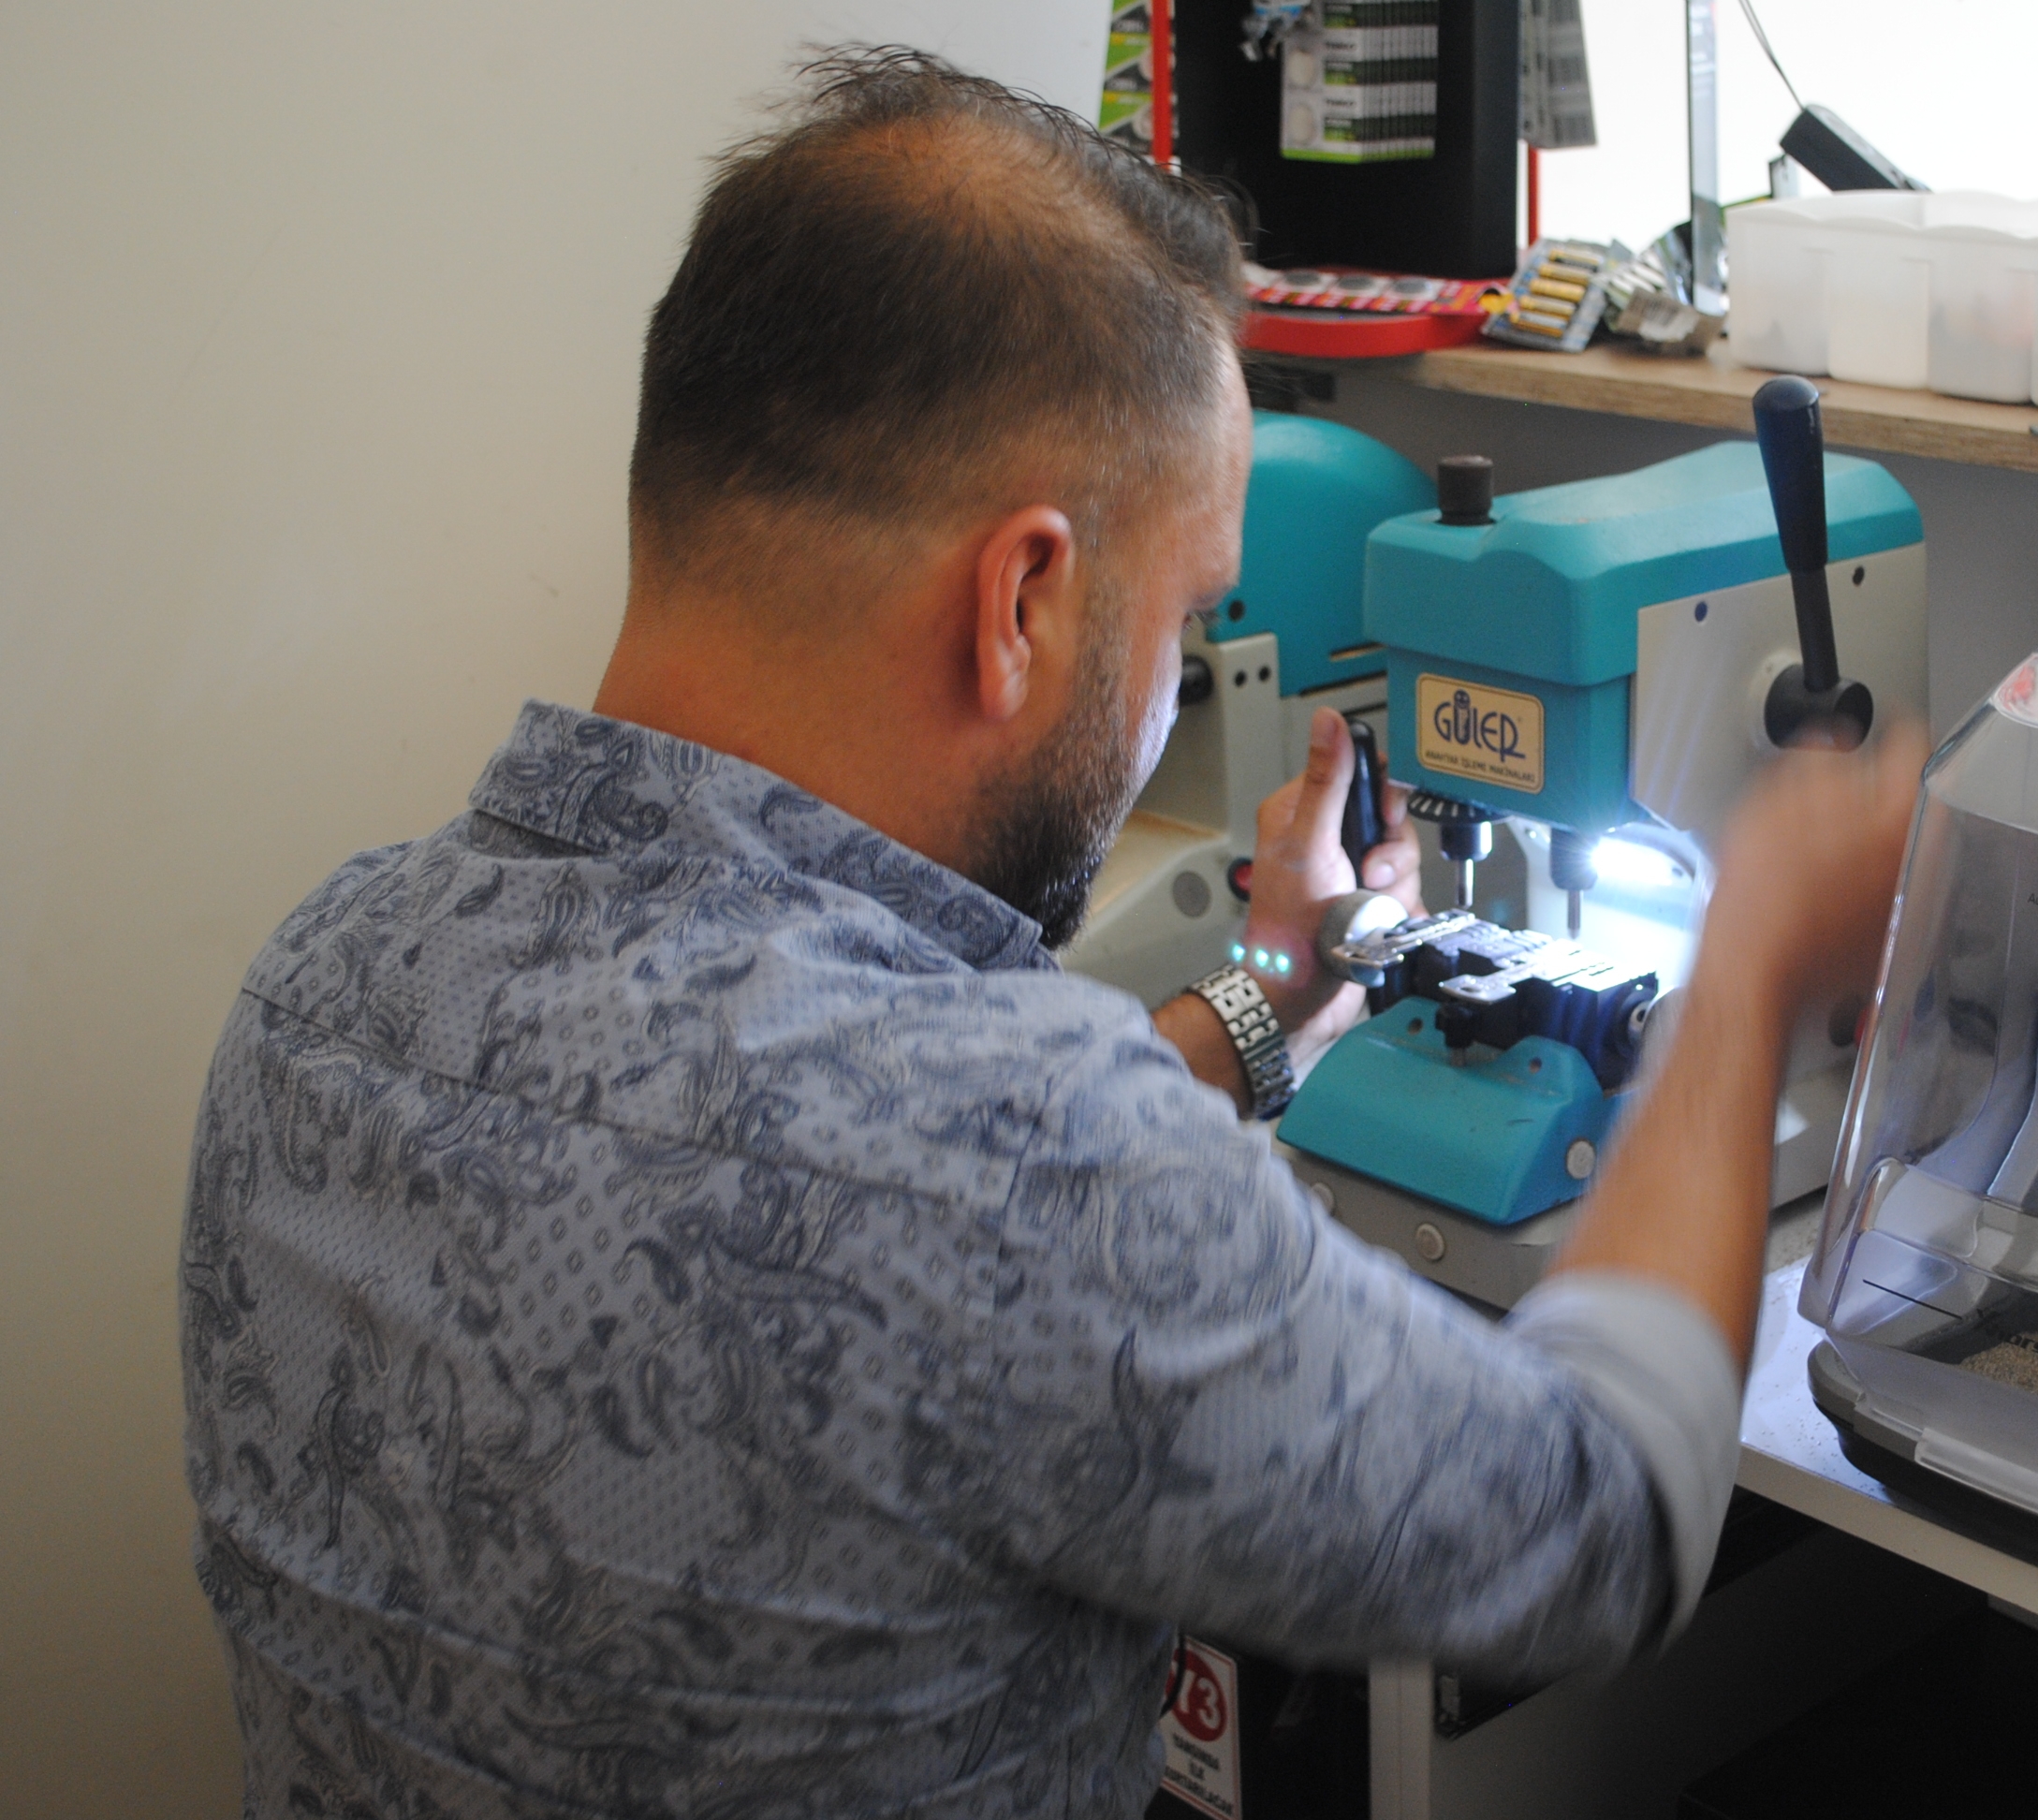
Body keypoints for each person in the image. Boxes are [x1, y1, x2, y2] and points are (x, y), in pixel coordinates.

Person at [178, 48, 1923, 1820]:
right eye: (1187, 614)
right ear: (1021, 598)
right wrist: (1756, 957)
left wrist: (1278, 990)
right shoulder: (1026, 1160)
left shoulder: (316, 987)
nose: (1174, 687)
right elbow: (1604, 1528)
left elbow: (832, 1170)